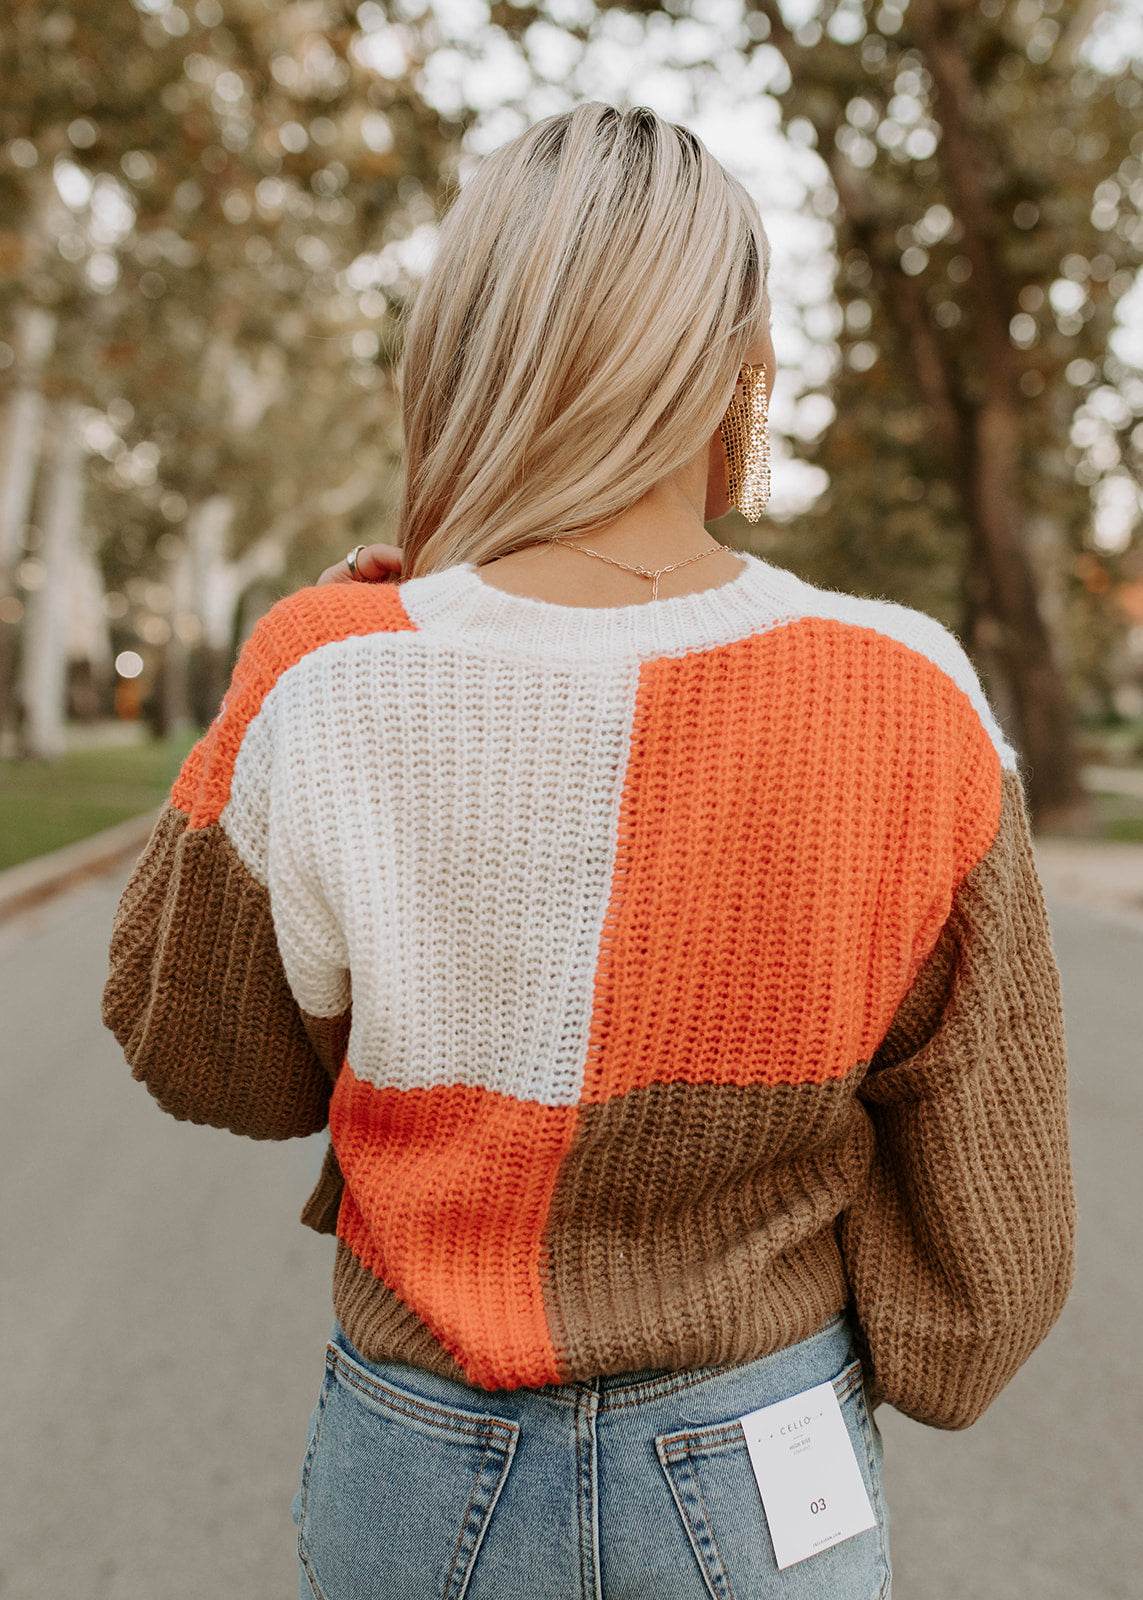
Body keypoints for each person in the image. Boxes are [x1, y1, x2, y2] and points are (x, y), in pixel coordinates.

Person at [103, 103, 1075, 1600]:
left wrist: (288, 678)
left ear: (464, 352)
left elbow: (206, 1057)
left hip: (409, 1461)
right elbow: (985, 1232)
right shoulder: (914, 692)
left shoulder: (330, 667)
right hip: (765, 1461)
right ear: (741, 375)